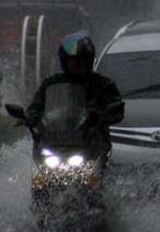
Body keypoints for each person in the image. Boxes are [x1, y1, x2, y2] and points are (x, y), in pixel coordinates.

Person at [25, 31, 124, 162]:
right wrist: (32, 116)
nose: (75, 65)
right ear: (64, 61)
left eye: (80, 61)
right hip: (57, 140)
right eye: (71, 61)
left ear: (88, 61)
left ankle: (105, 179)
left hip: (92, 142)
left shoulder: (103, 84)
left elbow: (116, 107)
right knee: (41, 168)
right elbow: (37, 105)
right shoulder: (51, 83)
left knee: (105, 164)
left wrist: (101, 115)